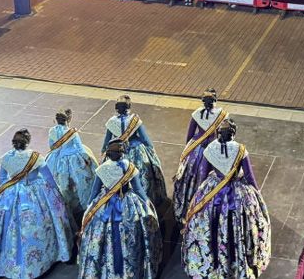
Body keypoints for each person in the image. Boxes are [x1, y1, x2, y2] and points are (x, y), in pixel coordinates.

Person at [0, 129, 73, 279]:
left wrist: (9, 192)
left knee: (7, 229)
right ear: (27, 142)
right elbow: (49, 178)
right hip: (35, 193)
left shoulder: (6, 158)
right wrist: (58, 195)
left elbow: (2, 180)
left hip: (9, 196)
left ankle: (6, 264)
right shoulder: (36, 158)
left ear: (13, 143)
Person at [183, 118, 271, 279]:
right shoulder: (240, 149)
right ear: (234, 133)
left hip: (213, 191)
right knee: (242, 224)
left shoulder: (210, 148)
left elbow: (203, 173)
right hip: (237, 194)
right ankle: (237, 258)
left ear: (218, 133)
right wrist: (257, 194)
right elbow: (250, 177)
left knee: (210, 224)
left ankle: (211, 260)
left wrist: (200, 194)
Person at [77, 138, 162, 279]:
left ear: (108, 154)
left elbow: (94, 192)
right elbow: (139, 190)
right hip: (128, 204)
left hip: (105, 205)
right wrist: (148, 205)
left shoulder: (102, 168)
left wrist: (89, 208)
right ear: (123, 154)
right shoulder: (129, 166)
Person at [101, 95, 168, 210]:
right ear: (129, 107)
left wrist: (104, 153)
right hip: (136, 152)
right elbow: (145, 139)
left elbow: (107, 141)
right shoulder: (135, 121)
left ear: (116, 108)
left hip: (116, 152)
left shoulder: (111, 122)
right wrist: (152, 153)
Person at [173, 89, 229, 226]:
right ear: (215, 100)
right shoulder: (222, 115)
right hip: (214, 148)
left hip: (196, 149)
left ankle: (189, 204)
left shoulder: (197, 114)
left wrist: (188, 151)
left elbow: (190, 135)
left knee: (191, 173)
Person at [45, 108, 98, 224]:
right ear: (68, 120)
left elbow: (51, 146)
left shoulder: (52, 131)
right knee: (81, 182)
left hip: (57, 159)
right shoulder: (72, 133)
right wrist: (88, 160)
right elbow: (79, 148)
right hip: (73, 159)